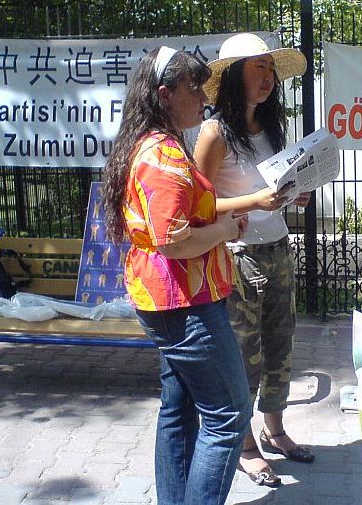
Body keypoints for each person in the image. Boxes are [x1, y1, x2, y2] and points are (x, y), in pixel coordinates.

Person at [102, 46, 252, 505]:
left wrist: (219, 223)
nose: (203, 98)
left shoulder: (152, 145)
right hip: (186, 302)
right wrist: (224, 229)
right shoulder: (162, 156)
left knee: (179, 408)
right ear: (165, 95)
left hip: (169, 299)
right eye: (194, 89)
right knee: (228, 416)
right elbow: (173, 241)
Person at [194, 33, 314, 488]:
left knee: (281, 344)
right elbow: (198, 207)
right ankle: (245, 446)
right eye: (258, 68)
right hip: (236, 257)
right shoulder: (214, 133)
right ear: (232, 76)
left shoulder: (270, 127)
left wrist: (291, 196)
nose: (267, 78)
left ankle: (274, 430)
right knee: (246, 355)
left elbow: (271, 189)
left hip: (278, 248)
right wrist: (254, 202)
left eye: (270, 69)